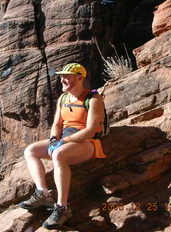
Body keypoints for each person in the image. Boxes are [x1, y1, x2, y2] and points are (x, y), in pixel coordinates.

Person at [19, 63, 106, 229]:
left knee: (59, 154)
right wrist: (53, 139)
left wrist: (63, 142)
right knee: (30, 151)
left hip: (88, 143)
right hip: (65, 141)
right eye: (61, 76)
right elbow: (57, 124)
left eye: (67, 76)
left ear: (80, 77)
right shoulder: (63, 98)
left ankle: (62, 207)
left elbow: (91, 130)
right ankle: (42, 193)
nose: (62, 79)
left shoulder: (93, 99)